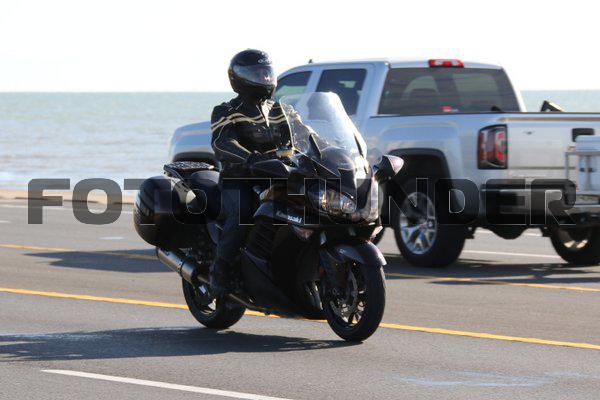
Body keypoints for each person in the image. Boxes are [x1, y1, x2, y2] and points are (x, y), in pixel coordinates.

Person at [209, 49, 282, 296]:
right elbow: (222, 142)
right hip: (239, 179)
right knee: (243, 214)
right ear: (239, 78)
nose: (264, 78)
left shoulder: (280, 110)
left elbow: (307, 135)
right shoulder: (226, 110)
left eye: (266, 73)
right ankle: (220, 270)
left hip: (277, 175)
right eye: (257, 74)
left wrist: (331, 151)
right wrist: (250, 158)